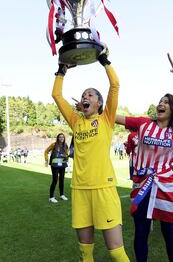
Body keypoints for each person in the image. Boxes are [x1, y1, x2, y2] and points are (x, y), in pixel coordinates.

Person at [52, 49, 129, 262]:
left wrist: (103, 60)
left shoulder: (106, 119)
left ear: (99, 103)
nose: (86, 96)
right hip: (79, 190)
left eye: (91, 94)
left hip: (103, 189)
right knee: (85, 254)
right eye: (84, 94)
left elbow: (115, 86)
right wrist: (61, 70)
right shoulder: (76, 121)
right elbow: (56, 96)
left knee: (115, 252)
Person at [116, 54, 173, 262]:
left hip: (166, 186)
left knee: (170, 234)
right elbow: (113, 116)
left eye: (166, 102)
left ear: (172, 109)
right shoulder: (142, 123)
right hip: (141, 184)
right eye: (160, 101)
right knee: (141, 232)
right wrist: (96, 109)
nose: (161, 104)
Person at [44, 133, 69, 203]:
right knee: (55, 180)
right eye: (60, 137)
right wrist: (46, 160)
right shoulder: (54, 145)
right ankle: (51, 197)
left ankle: (62, 195)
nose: (61, 138)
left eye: (63, 137)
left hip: (62, 164)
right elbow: (46, 151)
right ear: (58, 138)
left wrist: (66, 157)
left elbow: (66, 153)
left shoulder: (65, 145)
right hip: (55, 164)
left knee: (62, 180)